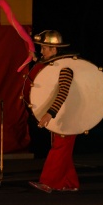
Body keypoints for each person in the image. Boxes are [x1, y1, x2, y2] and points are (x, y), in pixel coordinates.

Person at [24, 30, 79, 193]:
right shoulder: (55, 66)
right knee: (62, 148)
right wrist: (35, 58)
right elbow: (45, 65)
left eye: (45, 48)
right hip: (62, 114)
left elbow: (63, 93)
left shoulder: (65, 68)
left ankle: (48, 182)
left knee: (60, 148)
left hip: (67, 115)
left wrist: (49, 113)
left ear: (54, 50)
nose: (42, 51)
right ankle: (70, 183)